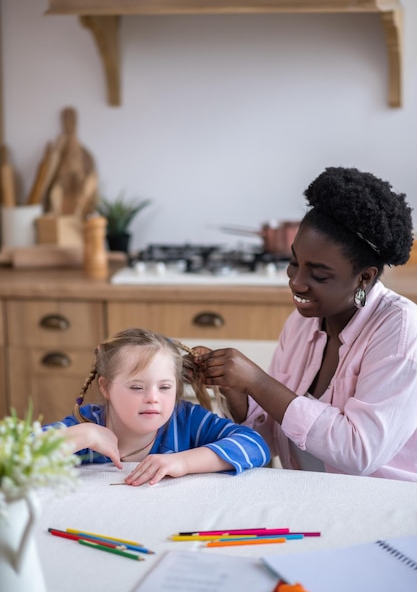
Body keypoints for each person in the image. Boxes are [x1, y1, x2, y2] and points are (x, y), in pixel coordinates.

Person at [193, 167, 417, 482]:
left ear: (364, 278)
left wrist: (258, 382)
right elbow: (274, 436)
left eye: (319, 275)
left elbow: (358, 452)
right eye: (294, 262)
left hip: (384, 507)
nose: (297, 283)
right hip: (310, 494)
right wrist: (236, 390)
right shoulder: (302, 324)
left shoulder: (401, 333)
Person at [43, 328, 270, 486]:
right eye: (136, 387)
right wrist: (83, 436)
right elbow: (12, 459)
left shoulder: (186, 421)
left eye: (164, 387)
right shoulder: (87, 425)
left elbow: (256, 446)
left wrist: (183, 462)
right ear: (106, 387)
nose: (153, 398)